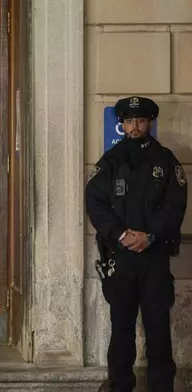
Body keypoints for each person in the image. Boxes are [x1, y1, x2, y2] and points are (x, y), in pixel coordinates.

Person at [85, 96, 187, 392]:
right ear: (122, 124)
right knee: (121, 331)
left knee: (158, 330)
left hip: (154, 259)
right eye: (129, 121)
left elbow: (175, 204)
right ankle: (120, 386)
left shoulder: (166, 160)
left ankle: (161, 387)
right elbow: (95, 204)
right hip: (121, 258)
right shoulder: (109, 163)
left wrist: (150, 236)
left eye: (140, 120)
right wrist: (120, 234)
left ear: (149, 123)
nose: (135, 126)